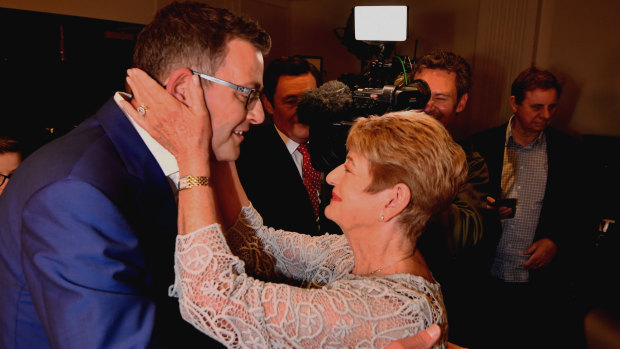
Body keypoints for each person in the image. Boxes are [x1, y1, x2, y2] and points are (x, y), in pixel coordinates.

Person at [118, 67, 468, 348]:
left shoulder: (382, 311)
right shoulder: (351, 255)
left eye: (349, 167)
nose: (331, 177)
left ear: (393, 200)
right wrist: (216, 146)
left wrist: (191, 155)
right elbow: (257, 244)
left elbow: (213, 300)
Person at [0, 2, 270, 348]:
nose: (260, 115)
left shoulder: (172, 161)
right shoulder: (76, 190)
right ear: (184, 90)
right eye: (247, 94)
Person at [469, 66, 583, 348]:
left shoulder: (569, 151)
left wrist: (556, 241)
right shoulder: (479, 145)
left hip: (539, 288)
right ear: (514, 104)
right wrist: (483, 209)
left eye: (552, 107)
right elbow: (457, 206)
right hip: (484, 280)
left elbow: (582, 212)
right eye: (537, 107)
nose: (546, 116)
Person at [400, 50, 500, 345]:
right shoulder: (380, 149)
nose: (428, 106)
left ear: (462, 102)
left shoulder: (471, 163)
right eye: (421, 94)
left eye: (440, 98)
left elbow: (464, 234)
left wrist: (419, 180)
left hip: (438, 302)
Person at [236, 55, 333, 236]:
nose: (304, 111)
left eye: (310, 100)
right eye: (291, 102)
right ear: (268, 104)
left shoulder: (340, 145)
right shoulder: (244, 154)